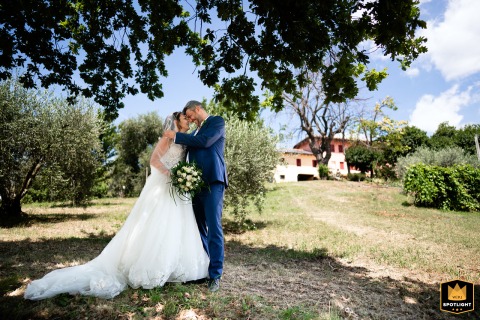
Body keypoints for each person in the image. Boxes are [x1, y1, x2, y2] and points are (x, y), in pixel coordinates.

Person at [24, 112, 209, 300]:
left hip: (177, 189)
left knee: (177, 226)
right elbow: (154, 160)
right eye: (185, 118)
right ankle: (152, 267)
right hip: (162, 186)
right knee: (158, 224)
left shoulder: (186, 140)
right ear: (176, 122)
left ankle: (178, 268)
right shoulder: (167, 138)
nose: (188, 121)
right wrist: (171, 174)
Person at [163, 100, 227, 292]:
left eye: (190, 115)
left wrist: (176, 136)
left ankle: (215, 275)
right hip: (195, 184)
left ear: (198, 108)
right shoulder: (194, 133)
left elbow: (205, 142)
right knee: (198, 228)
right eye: (187, 117)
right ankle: (203, 271)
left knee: (214, 228)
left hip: (213, 181)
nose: (190, 119)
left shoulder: (216, 122)